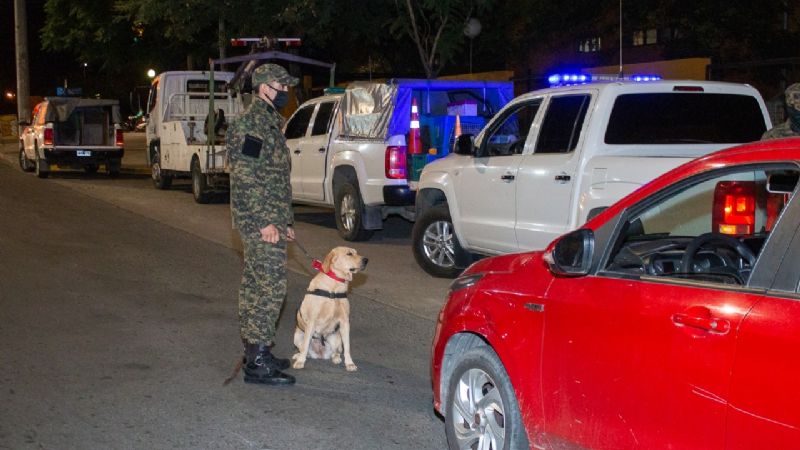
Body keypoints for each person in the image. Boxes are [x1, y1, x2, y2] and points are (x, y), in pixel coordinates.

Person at [226, 63, 298, 385]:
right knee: (268, 288)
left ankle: (258, 351)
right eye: (281, 86)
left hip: (271, 218)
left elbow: (276, 178)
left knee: (259, 286)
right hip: (260, 221)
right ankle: (257, 362)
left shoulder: (269, 121)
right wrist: (264, 222)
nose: (286, 92)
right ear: (265, 88)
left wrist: (285, 221)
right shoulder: (252, 123)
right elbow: (246, 177)